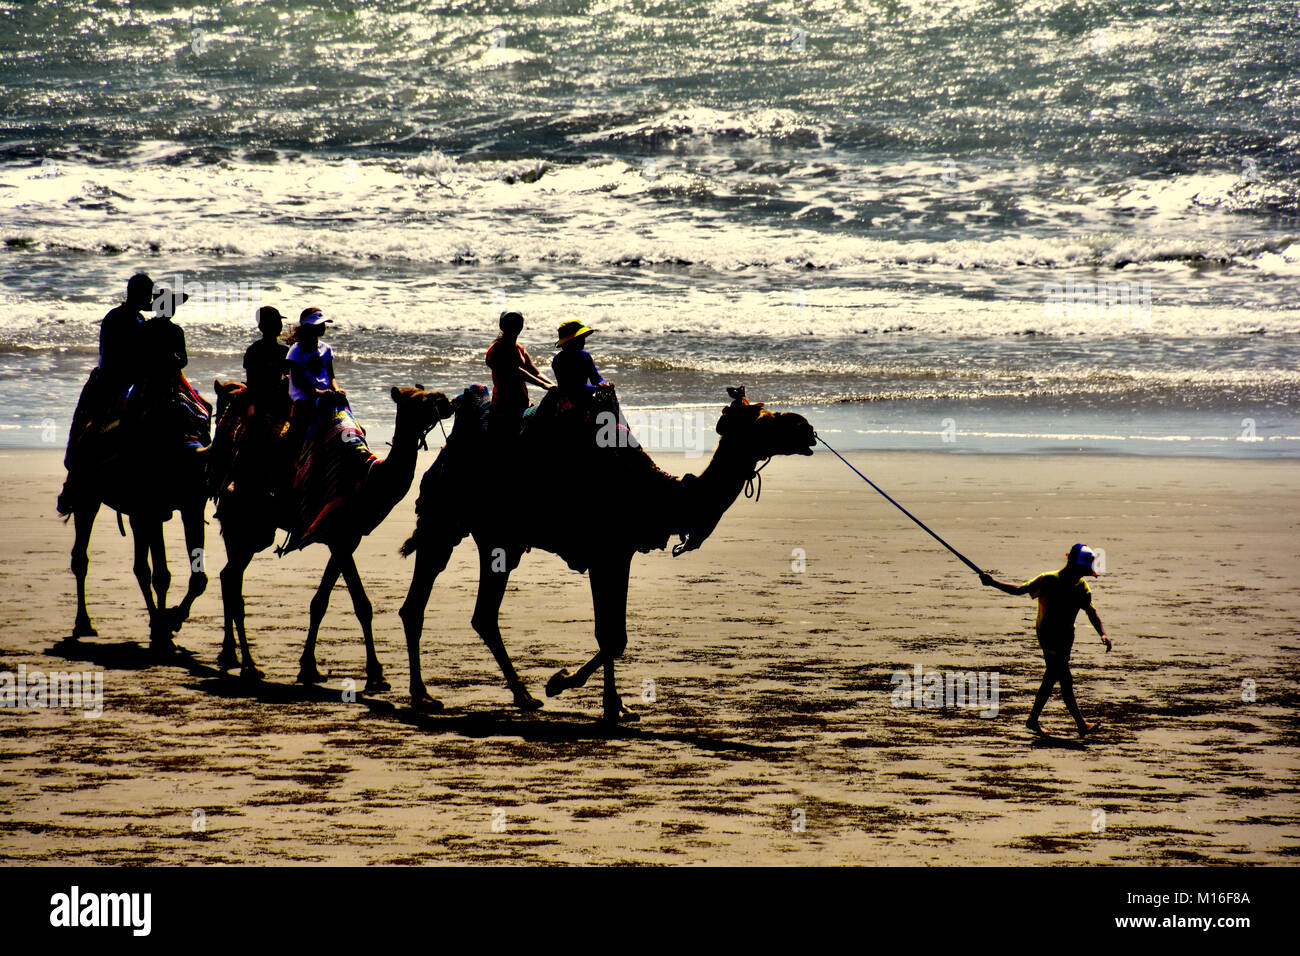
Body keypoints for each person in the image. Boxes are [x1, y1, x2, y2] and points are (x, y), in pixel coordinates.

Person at [981, 543, 1112, 737]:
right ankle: (1080, 723)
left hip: (1066, 637)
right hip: (1049, 636)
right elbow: (1019, 590)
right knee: (1064, 678)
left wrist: (1102, 633)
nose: (1085, 574)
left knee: (1051, 678)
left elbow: (1091, 612)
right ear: (1073, 565)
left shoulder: (1081, 587)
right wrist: (993, 583)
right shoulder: (1048, 580)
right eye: (1083, 570)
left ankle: (1034, 720)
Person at [486, 311, 552, 439]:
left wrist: (553, 385)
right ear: (502, 326)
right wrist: (544, 385)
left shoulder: (520, 349)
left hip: (522, 405)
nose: (514, 326)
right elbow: (516, 372)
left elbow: (536, 372)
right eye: (509, 323)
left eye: (517, 323)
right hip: (503, 408)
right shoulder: (496, 349)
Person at [243, 306, 289, 416]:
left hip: (258, 399)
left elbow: (251, 382)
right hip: (277, 400)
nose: (281, 325)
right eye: (278, 322)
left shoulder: (252, 350)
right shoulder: (284, 351)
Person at [551, 320, 608, 399]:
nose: (583, 341)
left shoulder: (585, 356)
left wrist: (603, 384)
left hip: (585, 395)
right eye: (580, 338)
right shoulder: (558, 360)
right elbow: (572, 387)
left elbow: (595, 378)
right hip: (566, 399)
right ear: (569, 342)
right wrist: (596, 388)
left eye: (583, 338)